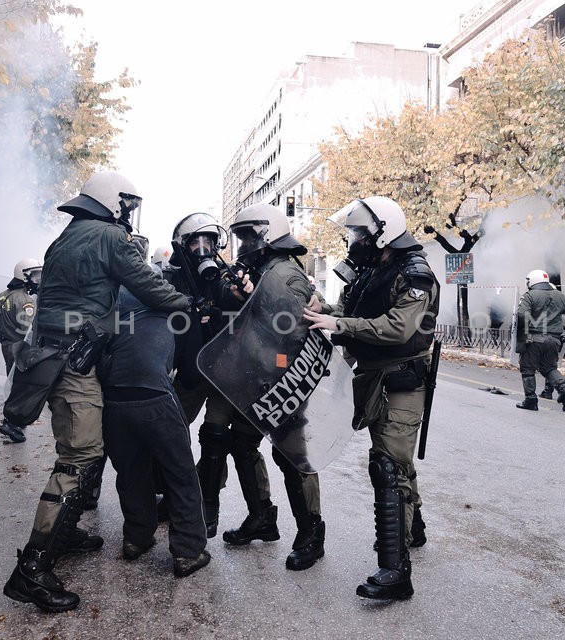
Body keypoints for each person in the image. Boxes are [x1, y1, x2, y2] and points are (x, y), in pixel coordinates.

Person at [2, 170, 192, 613]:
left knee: (78, 449)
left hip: (50, 357)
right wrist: (189, 303)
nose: (128, 212)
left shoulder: (65, 237)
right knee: (81, 457)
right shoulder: (110, 236)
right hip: (73, 362)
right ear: (115, 202)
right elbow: (149, 288)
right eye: (127, 204)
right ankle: (33, 570)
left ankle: (63, 534)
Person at [303, 195, 439, 600]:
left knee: (386, 465)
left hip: (401, 380)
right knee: (397, 461)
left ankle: (396, 572)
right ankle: (413, 528)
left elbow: (399, 328)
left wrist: (339, 322)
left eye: (361, 232)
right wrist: (322, 308)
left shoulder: (415, 273)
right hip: (372, 377)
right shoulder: (370, 270)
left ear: (383, 233)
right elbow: (349, 311)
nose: (354, 239)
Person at [220, 203, 326, 571]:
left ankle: (311, 533)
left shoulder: (282, 273)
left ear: (266, 236)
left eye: (248, 235)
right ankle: (262, 517)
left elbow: (298, 327)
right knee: (242, 441)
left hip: (283, 381)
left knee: (291, 455)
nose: (244, 243)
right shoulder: (265, 271)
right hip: (262, 379)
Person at [163, 212, 269, 540]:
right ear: (181, 246)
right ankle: (174, 497)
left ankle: (210, 506)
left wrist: (244, 289)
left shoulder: (224, 275)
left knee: (215, 438)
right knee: (167, 431)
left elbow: (233, 293)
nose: (202, 248)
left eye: (208, 241)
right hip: (190, 373)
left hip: (225, 372)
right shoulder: (169, 280)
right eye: (195, 241)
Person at [100, 271, 210, 577]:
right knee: (181, 474)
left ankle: (136, 539)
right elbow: (190, 370)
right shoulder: (172, 310)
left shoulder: (111, 310)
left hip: (114, 403)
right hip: (156, 398)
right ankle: (187, 553)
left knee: (132, 472)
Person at [512, 269, 565, 411]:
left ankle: (530, 400)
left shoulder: (529, 295)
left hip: (534, 338)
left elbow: (522, 315)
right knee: (549, 368)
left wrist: (522, 338)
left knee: (528, 369)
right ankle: (564, 390)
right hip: (554, 340)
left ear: (532, 281)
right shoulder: (561, 296)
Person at [0, 258, 41, 375]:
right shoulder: (26, 301)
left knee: (10, 377)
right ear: (24, 276)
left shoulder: (2, 295)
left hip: (5, 345)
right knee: (19, 382)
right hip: (19, 348)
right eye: (35, 275)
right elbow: (28, 331)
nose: (38, 280)